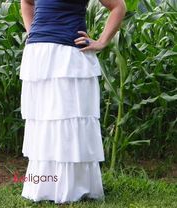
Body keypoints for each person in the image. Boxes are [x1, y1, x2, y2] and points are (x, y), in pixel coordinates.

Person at [19, 0, 126, 204]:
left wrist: (102, 41)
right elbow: (26, 2)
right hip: (38, 54)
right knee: (44, 122)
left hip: (68, 56)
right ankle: (45, 187)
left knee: (70, 121)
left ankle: (72, 188)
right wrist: (32, 32)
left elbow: (118, 7)